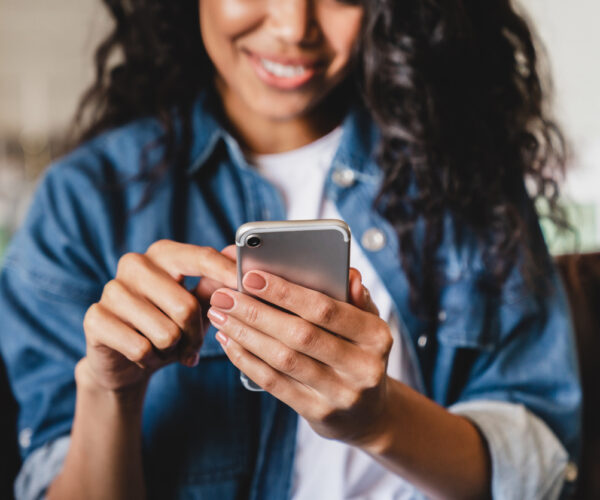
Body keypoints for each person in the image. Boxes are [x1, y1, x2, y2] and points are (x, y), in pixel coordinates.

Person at [0, 1, 581, 499]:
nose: (293, 26)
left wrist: (378, 420)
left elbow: (541, 470)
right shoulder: (84, 201)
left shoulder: (466, 176)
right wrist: (110, 391)